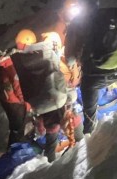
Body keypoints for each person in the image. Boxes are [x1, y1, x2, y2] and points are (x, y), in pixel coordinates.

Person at [66, 0, 117, 135]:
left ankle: (89, 134)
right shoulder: (112, 19)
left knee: (89, 110)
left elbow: (70, 58)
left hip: (93, 77)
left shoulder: (76, 25)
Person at [9, 31, 73, 162]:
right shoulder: (46, 54)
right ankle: (78, 139)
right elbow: (60, 76)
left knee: (51, 129)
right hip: (57, 99)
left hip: (37, 104)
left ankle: (49, 159)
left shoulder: (18, 62)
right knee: (64, 121)